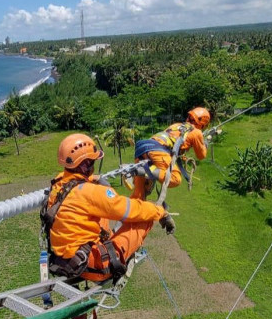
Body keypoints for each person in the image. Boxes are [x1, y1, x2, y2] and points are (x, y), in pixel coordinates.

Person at [42, 133, 175, 283]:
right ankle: (120, 251)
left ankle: (107, 239)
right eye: (91, 162)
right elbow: (129, 211)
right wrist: (160, 212)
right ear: (85, 164)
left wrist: (95, 179)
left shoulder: (58, 183)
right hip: (93, 267)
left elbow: (80, 182)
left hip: (67, 260)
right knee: (145, 218)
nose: (93, 167)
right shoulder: (91, 193)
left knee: (100, 215)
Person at [131, 107, 211, 200]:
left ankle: (141, 172)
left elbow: (175, 145)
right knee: (175, 178)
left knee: (139, 195)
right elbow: (201, 156)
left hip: (142, 147)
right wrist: (205, 143)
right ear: (203, 124)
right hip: (158, 149)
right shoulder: (196, 132)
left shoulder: (177, 125)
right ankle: (144, 171)